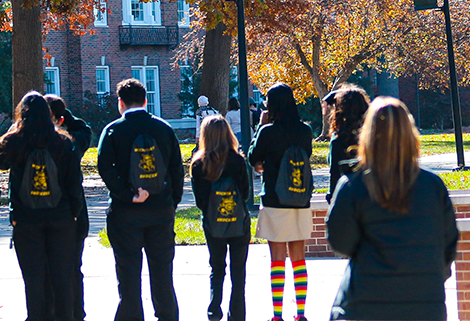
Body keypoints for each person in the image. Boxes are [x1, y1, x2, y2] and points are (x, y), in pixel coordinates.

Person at [326, 97, 458, 320]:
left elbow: (340, 243)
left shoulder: (353, 186)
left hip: (367, 305)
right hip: (426, 306)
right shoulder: (433, 187)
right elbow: (448, 244)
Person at [97, 77, 184, 321]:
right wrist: (171, 201)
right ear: (146, 101)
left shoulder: (113, 130)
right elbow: (177, 169)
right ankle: (167, 316)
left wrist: (126, 195)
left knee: (128, 274)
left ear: (120, 103)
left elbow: (104, 168)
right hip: (161, 210)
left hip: (126, 213)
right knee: (162, 273)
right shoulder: (164, 129)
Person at [0, 92, 85, 321]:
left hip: (26, 218)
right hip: (61, 217)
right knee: (62, 278)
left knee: (33, 280)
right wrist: (74, 213)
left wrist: (14, 130)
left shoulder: (16, 141)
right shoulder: (63, 142)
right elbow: (74, 182)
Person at [247, 83, 313, 321]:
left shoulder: (268, 131)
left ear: (272, 105)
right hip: (300, 198)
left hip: (275, 199)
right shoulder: (305, 131)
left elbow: (253, 156)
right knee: (299, 258)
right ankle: (301, 313)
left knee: (277, 260)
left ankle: (277, 315)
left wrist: (261, 126)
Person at [191, 114, 251, 321]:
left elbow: (200, 201)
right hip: (238, 222)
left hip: (213, 223)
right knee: (238, 272)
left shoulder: (199, 164)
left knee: (217, 268)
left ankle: (214, 311)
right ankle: (237, 315)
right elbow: (245, 193)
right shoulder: (237, 160)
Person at [47, 94, 93, 321]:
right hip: (71, 210)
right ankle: (76, 312)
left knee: (46, 269)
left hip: (42, 210)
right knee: (73, 267)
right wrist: (65, 115)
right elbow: (85, 129)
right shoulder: (72, 140)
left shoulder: (31, 139)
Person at [327, 85, 369, 200]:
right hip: (372, 198)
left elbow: (335, 177)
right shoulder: (372, 137)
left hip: (349, 199)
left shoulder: (339, 141)